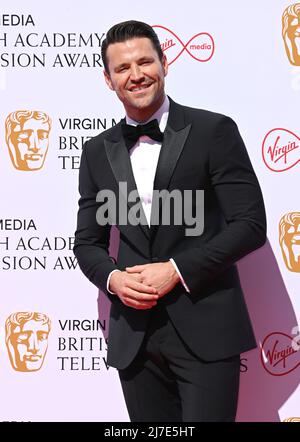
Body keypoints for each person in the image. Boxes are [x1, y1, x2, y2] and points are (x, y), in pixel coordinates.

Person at [73, 20, 267, 422]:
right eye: (123, 68)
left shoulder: (213, 130)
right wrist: (113, 279)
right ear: (108, 80)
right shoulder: (95, 151)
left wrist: (176, 270)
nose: (136, 74)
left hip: (206, 328)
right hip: (134, 338)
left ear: (164, 63)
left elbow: (250, 225)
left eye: (146, 62)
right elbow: (87, 242)